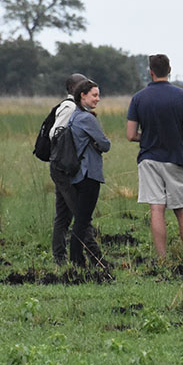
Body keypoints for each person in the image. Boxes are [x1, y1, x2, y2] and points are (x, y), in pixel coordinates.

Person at [126, 54, 183, 264]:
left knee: (156, 208)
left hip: (149, 158)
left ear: (150, 71)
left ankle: (162, 259)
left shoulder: (138, 98)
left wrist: (147, 135)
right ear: (169, 70)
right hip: (175, 158)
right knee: (182, 209)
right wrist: (178, 130)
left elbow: (131, 135)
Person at [49, 73, 102, 265]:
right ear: (75, 90)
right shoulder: (70, 107)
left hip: (63, 167)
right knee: (81, 215)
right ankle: (95, 257)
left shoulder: (78, 109)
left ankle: (60, 258)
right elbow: (55, 134)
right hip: (64, 168)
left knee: (63, 215)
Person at [67, 79, 112, 267]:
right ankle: (77, 259)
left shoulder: (74, 116)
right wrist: (97, 144)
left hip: (77, 175)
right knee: (83, 221)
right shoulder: (87, 118)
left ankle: (77, 258)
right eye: (94, 95)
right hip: (89, 174)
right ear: (82, 95)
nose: (98, 99)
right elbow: (105, 144)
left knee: (81, 218)